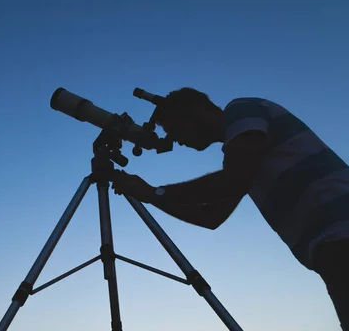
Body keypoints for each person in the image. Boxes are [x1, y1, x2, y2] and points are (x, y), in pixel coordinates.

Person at [110, 87, 349, 330]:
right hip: (329, 247)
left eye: (174, 130)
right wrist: (151, 196)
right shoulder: (244, 155)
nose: (176, 141)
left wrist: (154, 192)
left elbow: (232, 180)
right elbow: (212, 216)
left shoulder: (242, 109)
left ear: (192, 112)